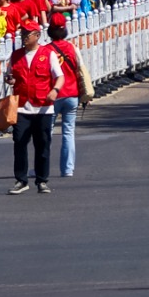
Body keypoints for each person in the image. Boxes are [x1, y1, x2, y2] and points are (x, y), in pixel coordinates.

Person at [4, 22, 70, 195]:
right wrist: (10, 80)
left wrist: (55, 90)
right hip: (21, 107)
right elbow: (11, 75)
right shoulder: (16, 55)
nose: (24, 37)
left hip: (43, 108)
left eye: (28, 34)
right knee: (19, 143)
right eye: (23, 34)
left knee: (42, 145)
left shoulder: (48, 54)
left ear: (37, 35)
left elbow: (60, 76)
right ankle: (21, 180)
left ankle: (42, 180)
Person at [46, 20, 89, 178]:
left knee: (46, 133)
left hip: (53, 94)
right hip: (72, 93)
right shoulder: (72, 47)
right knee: (69, 132)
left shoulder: (46, 50)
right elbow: (81, 70)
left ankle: (41, 168)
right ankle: (67, 169)